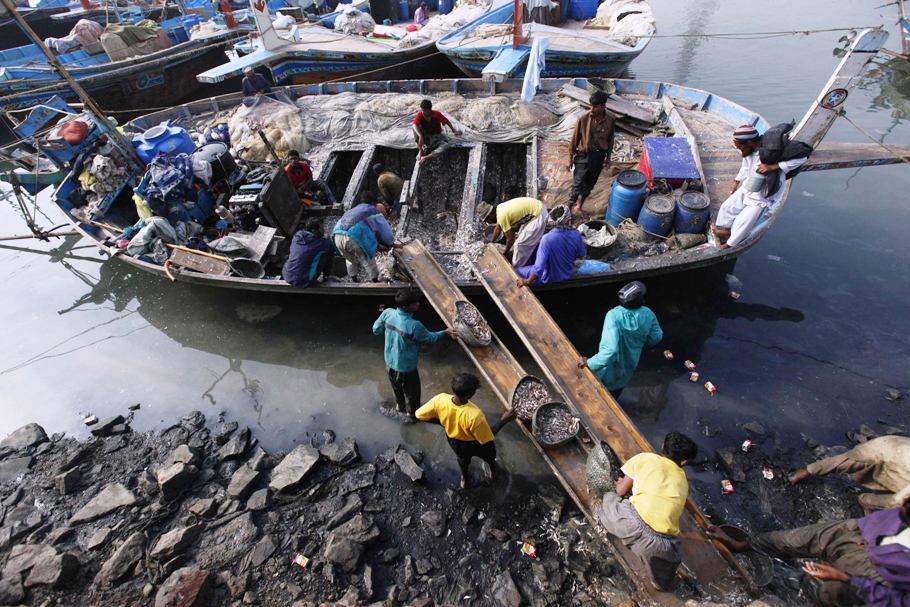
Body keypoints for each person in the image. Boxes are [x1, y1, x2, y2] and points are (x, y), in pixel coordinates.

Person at [707, 495, 910, 607]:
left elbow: (900, 601)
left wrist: (846, 579)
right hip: (861, 530)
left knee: (829, 597)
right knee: (791, 539)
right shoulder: (901, 512)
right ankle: (740, 545)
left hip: (874, 574)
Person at [598, 432, 699, 591]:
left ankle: (607, 524)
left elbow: (621, 492)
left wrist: (619, 484)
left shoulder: (645, 458)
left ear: (663, 446)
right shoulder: (683, 482)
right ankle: (658, 584)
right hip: (661, 544)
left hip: (628, 522)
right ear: (684, 462)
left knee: (609, 497)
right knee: (664, 577)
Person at [711, 124, 809, 249]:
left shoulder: (771, 153)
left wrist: (773, 167)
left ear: (749, 142)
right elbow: (745, 167)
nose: (739, 149)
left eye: (740, 146)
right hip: (749, 186)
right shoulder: (749, 151)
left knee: (744, 222)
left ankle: (729, 245)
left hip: (762, 195)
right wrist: (736, 181)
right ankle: (727, 230)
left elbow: (802, 158)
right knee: (727, 207)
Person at [416, 373, 517, 489]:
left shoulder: (440, 399)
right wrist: (504, 420)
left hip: (455, 442)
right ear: (470, 395)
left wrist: (441, 422)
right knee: (489, 455)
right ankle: (493, 472)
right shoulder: (475, 415)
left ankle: (464, 480)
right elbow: (488, 437)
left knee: (463, 460)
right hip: (475, 444)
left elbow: (419, 415)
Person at [373, 289, 457, 420]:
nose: (418, 304)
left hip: (389, 361)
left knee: (396, 386)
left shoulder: (387, 313)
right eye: (414, 304)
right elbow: (429, 338)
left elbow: (376, 330)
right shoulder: (414, 325)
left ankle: (399, 407)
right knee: (412, 393)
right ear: (406, 307)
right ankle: (412, 414)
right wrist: (444, 332)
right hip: (406, 366)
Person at [576, 281, 662, 399]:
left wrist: (589, 363)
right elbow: (656, 337)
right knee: (616, 390)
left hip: (607, 368)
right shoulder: (648, 313)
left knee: (598, 391)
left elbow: (610, 351)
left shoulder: (614, 316)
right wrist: (639, 340)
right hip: (630, 363)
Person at [790, 435, 910, 513]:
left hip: (902, 472)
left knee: (886, 499)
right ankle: (808, 471)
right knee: (850, 461)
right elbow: (898, 502)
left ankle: (867, 502)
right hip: (890, 452)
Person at [567, 90, 615, 217]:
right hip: (583, 156)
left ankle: (579, 206)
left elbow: (610, 140)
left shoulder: (611, 119)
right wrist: (570, 159)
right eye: (591, 105)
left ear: (603, 106)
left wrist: (608, 158)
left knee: (589, 185)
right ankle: (566, 212)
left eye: (595, 106)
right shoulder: (583, 119)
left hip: (599, 157)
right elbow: (574, 140)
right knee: (577, 186)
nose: (592, 109)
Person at [477, 188, 549, 268]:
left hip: (539, 215)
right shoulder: (500, 208)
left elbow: (510, 240)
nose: (488, 223)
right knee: (522, 236)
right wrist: (491, 242)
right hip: (536, 208)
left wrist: (505, 252)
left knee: (520, 245)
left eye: (487, 220)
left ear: (490, 215)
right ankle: (525, 256)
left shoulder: (502, 217)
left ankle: (517, 269)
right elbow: (497, 229)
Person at [332, 192, 396, 282]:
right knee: (368, 258)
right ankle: (375, 281)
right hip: (352, 237)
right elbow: (386, 232)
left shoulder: (352, 210)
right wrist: (390, 243)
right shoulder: (372, 210)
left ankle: (354, 280)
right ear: (373, 203)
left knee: (350, 258)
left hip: (336, 235)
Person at [515, 205, 585, 287]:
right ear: (568, 220)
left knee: (516, 271)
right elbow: (581, 255)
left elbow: (539, 269)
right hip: (567, 274)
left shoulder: (547, 239)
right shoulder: (576, 235)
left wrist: (527, 281)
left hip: (550, 278)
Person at [282, 218, 334, 288]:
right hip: (304, 281)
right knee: (328, 253)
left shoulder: (297, 236)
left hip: (286, 274)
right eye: (321, 229)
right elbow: (336, 247)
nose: (324, 230)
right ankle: (326, 279)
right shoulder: (321, 243)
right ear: (314, 231)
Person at [412, 99, 462, 164]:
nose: (423, 112)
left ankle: (426, 157)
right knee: (416, 128)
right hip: (425, 136)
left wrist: (454, 131)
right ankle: (420, 151)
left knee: (445, 145)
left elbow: (446, 121)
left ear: (430, 110)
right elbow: (414, 125)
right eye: (422, 110)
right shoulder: (420, 114)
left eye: (425, 111)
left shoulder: (436, 114)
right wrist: (420, 135)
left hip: (436, 136)